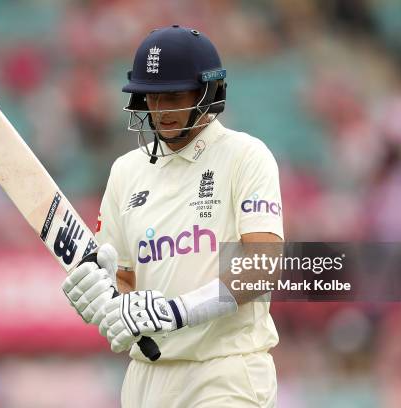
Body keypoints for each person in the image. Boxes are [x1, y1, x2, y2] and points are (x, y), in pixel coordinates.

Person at [62, 25, 284, 407]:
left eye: (174, 96)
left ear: (208, 92)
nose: (160, 111)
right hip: (146, 377)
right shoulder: (126, 171)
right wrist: (106, 301)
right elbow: (126, 278)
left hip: (224, 371)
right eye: (151, 98)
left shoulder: (245, 156)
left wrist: (176, 312)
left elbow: (263, 265)